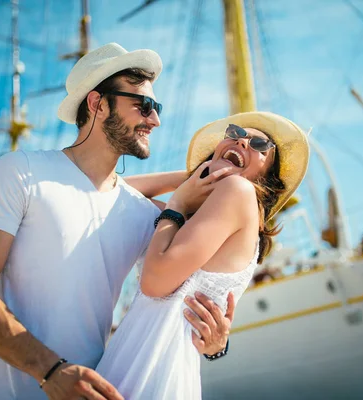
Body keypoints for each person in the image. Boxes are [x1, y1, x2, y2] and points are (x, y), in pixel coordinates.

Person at [0, 42, 232, 400]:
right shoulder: (21, 173)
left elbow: (183, 300)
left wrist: (216, 344)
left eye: (156, 107)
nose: (155, 119)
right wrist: (50, 371)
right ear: (97, 104)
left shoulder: (147, 216)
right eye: (144, 105)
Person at [95, 111, 310, 399]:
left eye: (259, 145)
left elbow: (154, 283)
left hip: (151, 371)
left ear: (267, 178)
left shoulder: (237, 191)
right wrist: (197, 176)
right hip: (143, 364)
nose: (243, 141)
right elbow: (108, 193)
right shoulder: (187, 218)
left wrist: (180, 200)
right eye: (234, 133)